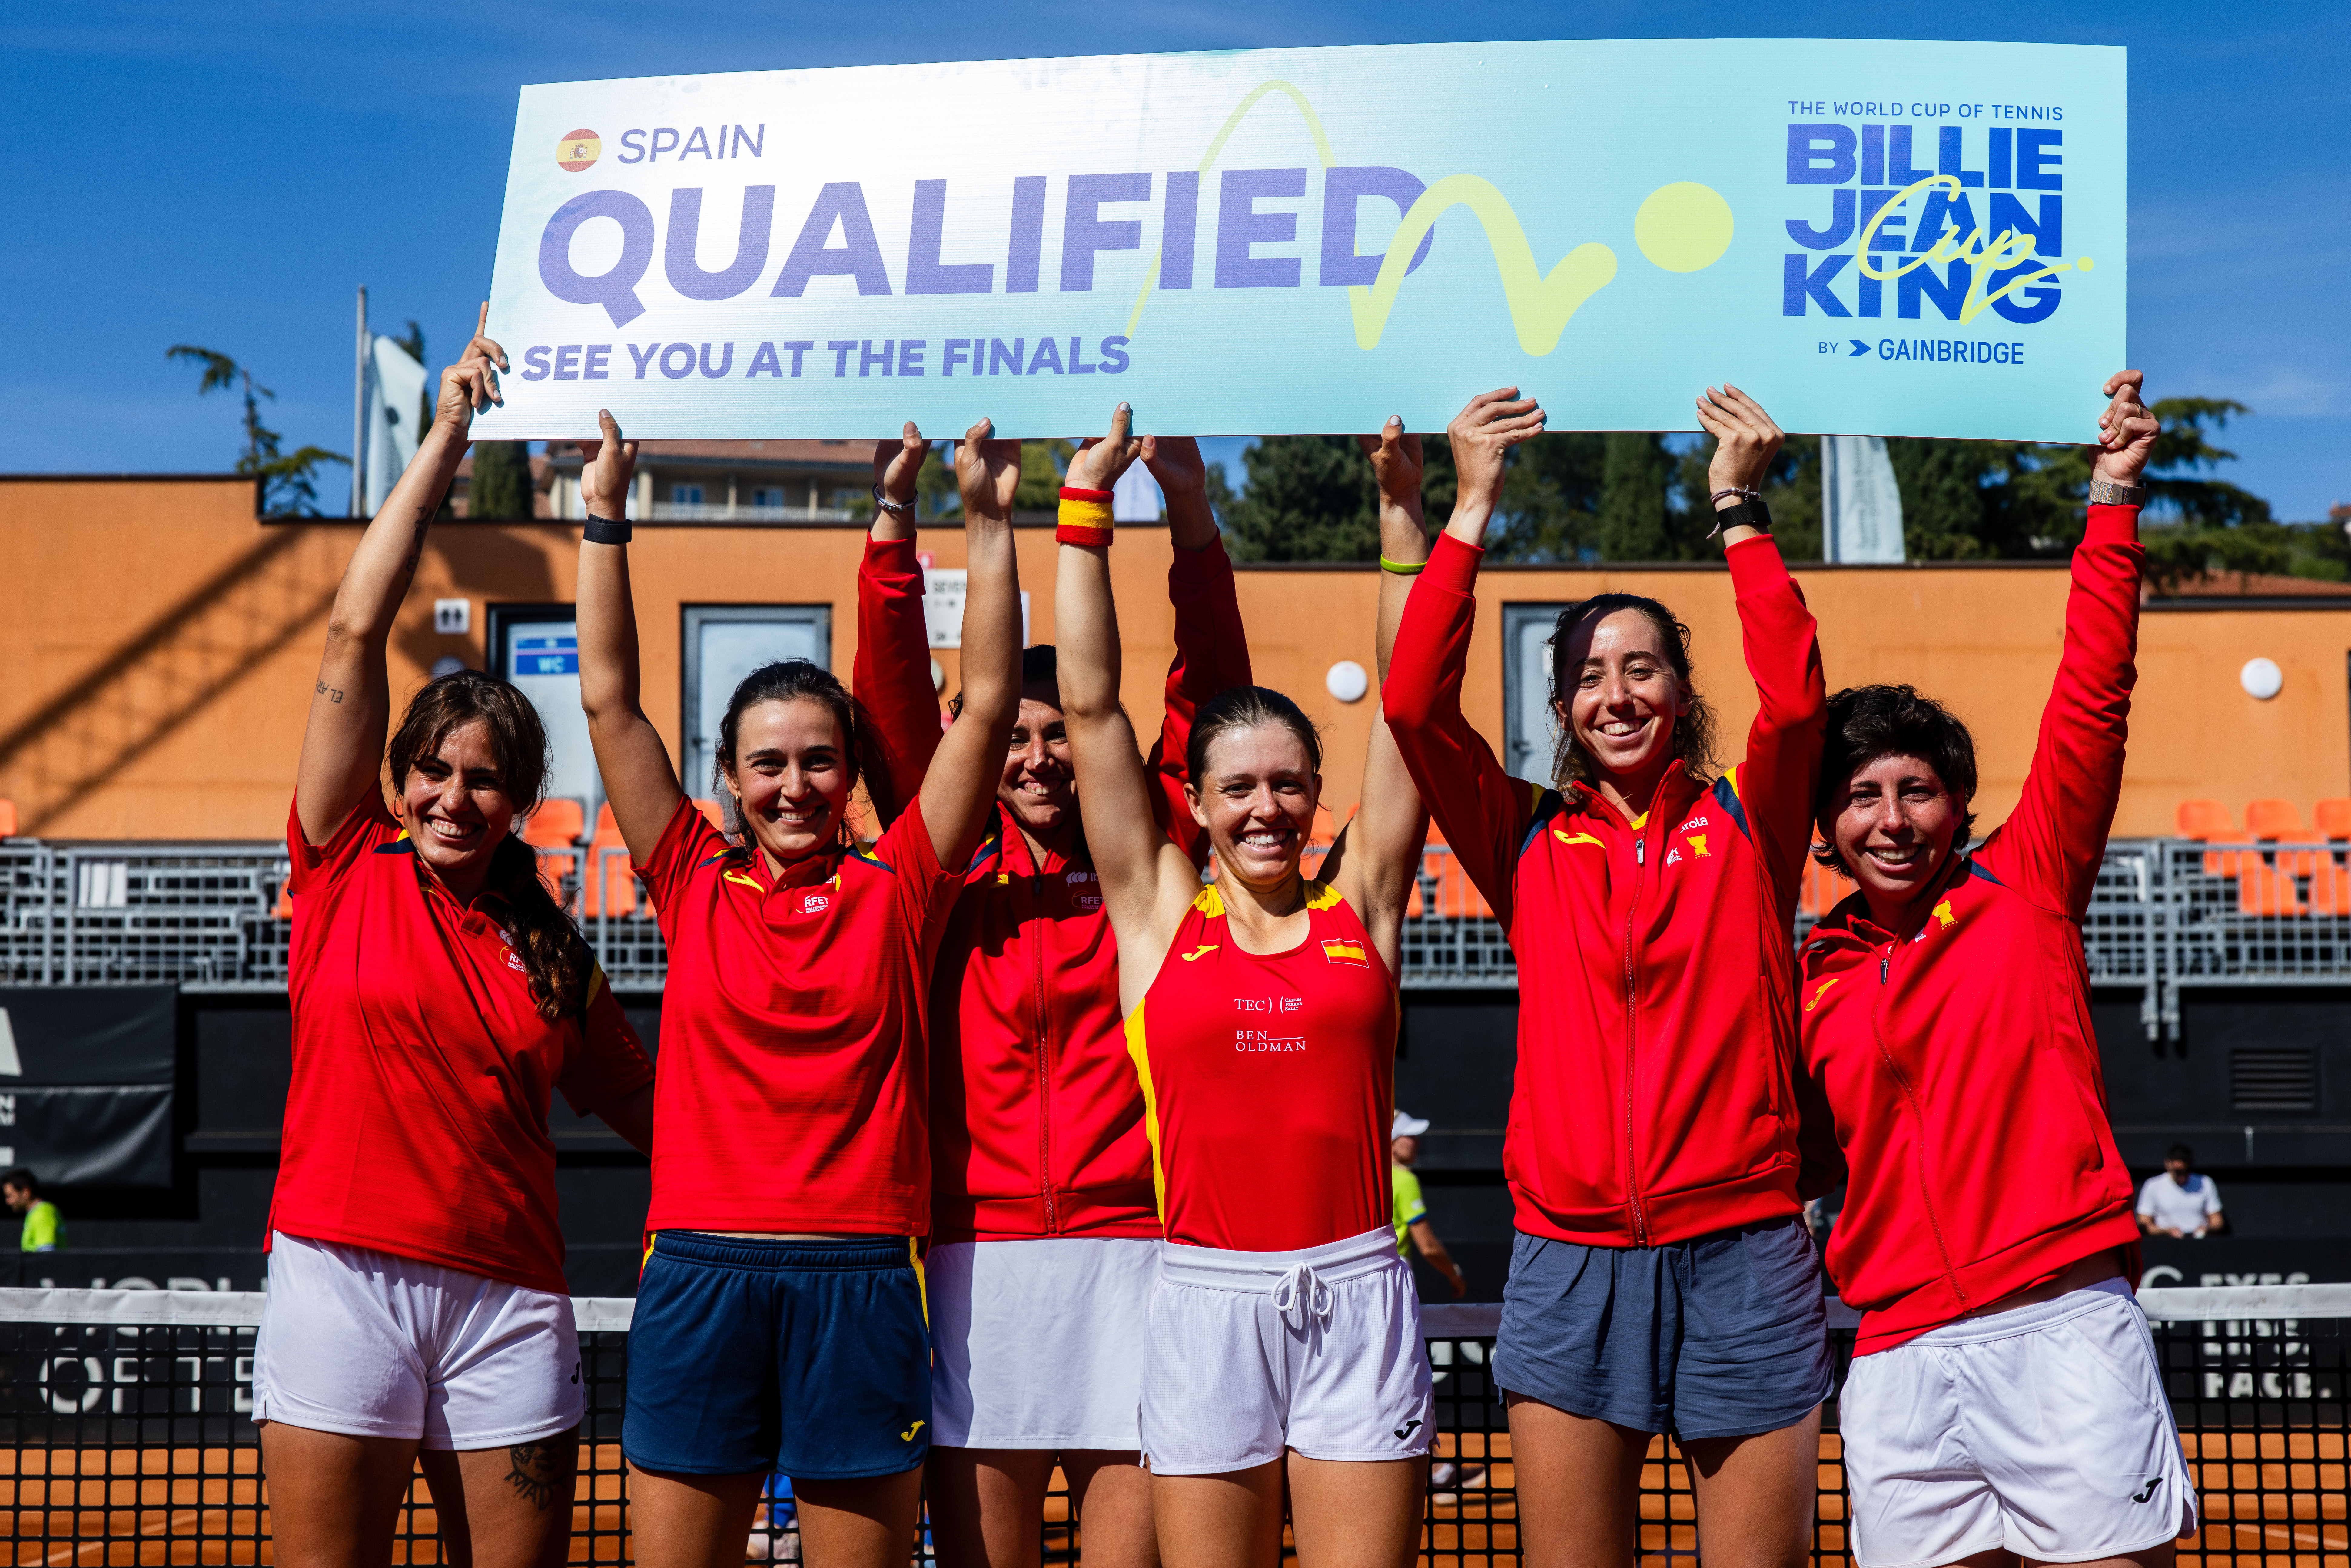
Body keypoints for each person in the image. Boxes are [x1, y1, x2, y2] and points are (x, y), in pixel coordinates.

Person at [1062, 399, 1523, 1568]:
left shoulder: (1361, 901)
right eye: (1237, 788)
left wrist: (1401, 512)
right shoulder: (1158, 910)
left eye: (1286, 782)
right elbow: (1089, 707)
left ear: (1314, 790)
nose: (1264, 806)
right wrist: (1082, 511)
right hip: (1205, 1295)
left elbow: (1408, 698)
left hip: (1359, 1289)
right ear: (1201, 807)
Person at [1383, 386, 1828, 1567]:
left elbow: (1794, 697)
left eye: (1640, 668)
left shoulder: (1748, 819)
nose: (1616, 692)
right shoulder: (1523, 835)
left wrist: (1736, 505)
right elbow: (1412, 704)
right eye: (1587, 674)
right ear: (1565, 710)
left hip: (1744, 1246)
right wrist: (1470, 506)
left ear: (1678, 694)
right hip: (1567, 1255)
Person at [575, 408, 1022, 1568]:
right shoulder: (686, 874)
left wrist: (983, 521)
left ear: (849, 772)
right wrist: (604, 516)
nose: (794, 784)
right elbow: (610, 703)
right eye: (767, 762)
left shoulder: (904, 882)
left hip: (864, 1271)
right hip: (698, 1266)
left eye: (819, 759)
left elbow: (981, 706)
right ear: (727, 776)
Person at [257, 307, 657, 1568]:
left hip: (510, 1305)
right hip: (338, 1282)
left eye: (482, 779)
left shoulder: (551, 950)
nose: (450, 797)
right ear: (397, 775)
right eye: (430, 770)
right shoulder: (339, 862)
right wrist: (445, 435)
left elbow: (667, 1113)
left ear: (518, 797)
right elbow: (350, 631)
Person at [1797, 372, 2193, 1566]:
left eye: (1915, 788)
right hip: (1896, 1356)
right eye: (1860, 796)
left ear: (1957, 804)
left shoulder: (2025, 883)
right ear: (1823, 827)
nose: (1890, 816)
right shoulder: (1807, 970)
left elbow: (2090, 696)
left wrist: (2111, 497)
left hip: (2060, 1322)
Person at [852, 424, 1250, 1568]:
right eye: (1012, 738)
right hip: (977, 1258)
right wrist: (894, 523)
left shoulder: (1150, 854)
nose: (1035, 758)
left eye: (1057, 735)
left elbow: (1209, 693)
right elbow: (891, 702)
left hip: (1137, 1246)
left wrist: (1191, 526)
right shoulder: (945, 861)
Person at [1390, 1112, 1465, 1299]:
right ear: (1391, 1141)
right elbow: (1429, 1247)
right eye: (1410, 1136)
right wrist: (1455, 1275)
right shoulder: (1406, 1180)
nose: (1418, 1143)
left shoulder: (1366, 1177)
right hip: (1393, 1279)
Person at [2138, 1144, 2225, 1239]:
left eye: (2186, 1171)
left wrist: (2206, 1229)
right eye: (2178, 1171)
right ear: (2168, 1164)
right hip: (2165, 1245)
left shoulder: (2206, 1183)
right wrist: (2167, 1232)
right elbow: (2144, 1223)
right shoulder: (2153, 1185)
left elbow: (2218, 1222)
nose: (2183, 1176)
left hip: (2200, 1245)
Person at [4, 1169, 59, 1254]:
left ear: (26, 1192)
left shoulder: (42, 1214)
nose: (8, 1202)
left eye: (10, 1196)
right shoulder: (35, 1213)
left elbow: (47, 1257)